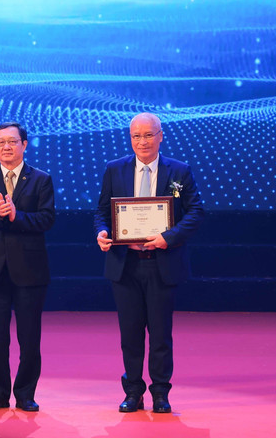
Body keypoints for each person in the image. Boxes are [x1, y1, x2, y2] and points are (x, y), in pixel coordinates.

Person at [94, 112, 204, 414]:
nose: (142, 141)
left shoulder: (179, 173)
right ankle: (133, 392)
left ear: (160, 135)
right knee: (129, 334)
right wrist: (102, 232)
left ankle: (160, 393)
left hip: (161, 263)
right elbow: (102, 211)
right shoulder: (114, 169)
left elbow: (194, 212)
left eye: (148, 134)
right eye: (136, 136)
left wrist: (168, 237)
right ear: (130, 139)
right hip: (125, 264)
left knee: (160, 333)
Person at [0, 122, 56, 412]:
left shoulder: (41, 179)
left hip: (30, 269)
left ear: (24, 144)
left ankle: (25, 394)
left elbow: (47, 219)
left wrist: (17, 217)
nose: (6, 147)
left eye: (12, 141)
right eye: (0, 142)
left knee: (29, 338)